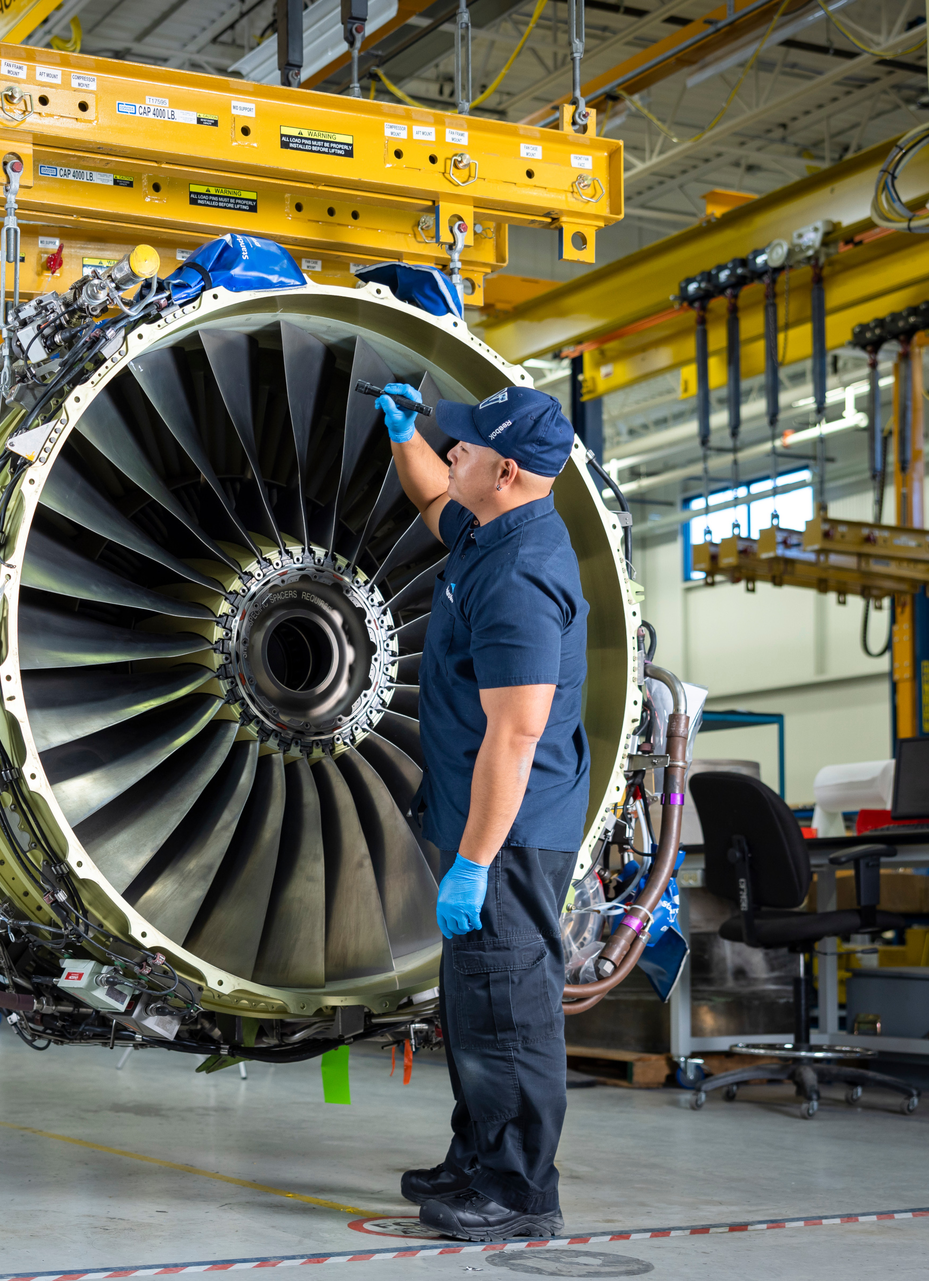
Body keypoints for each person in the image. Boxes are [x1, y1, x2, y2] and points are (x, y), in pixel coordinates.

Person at [374, 380, 589, 1242]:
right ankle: (477, 1154)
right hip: (474, 817)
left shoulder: (523, 576)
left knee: (509, 1007)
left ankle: (520, 1189)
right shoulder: (491, 525)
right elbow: (433, 499)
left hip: (509, 831)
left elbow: (518, 732)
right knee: (471, 1006)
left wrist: (474, 860)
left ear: (505, 470)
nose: (447, 447)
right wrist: (401, 435)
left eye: (463, 443)